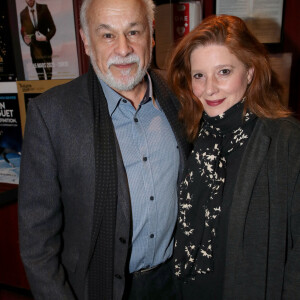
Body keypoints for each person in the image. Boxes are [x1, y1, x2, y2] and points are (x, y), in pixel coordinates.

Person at [18, 0, 190, 299]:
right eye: (107, 35)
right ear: (86, 41)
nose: (123, 49)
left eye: (133, 32)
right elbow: (37, 242)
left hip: (175, 282)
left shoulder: (180, 94)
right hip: (98, 289)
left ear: (151, 35)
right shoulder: (51, 115)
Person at [168, 14, 300, 299]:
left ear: (250, 71)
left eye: (224, 72)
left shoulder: (287, 141)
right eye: (199, 75)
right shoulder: (192, 136)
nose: (210, 88)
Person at [20, 0, 56, 80]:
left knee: (49, 79)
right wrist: (25, 39)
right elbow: (23, 31)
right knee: (41, 80)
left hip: (46, 49)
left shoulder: (44, 8)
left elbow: (53, 28)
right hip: (34, 51)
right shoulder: (23, 14)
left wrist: (46, 37)